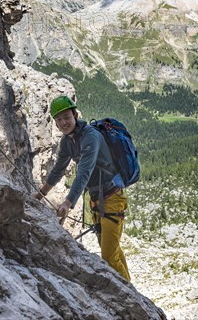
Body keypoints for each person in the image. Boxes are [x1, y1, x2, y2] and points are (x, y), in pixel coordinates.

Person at [35, 95, 130, 282]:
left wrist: (68, 203)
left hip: (112, 198)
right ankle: (129, 286)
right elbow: (58, 170)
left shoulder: (91, 137)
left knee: (109, 256)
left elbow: (84, 173)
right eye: (59, 119)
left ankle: (133, 299)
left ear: (75, 115)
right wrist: (40, 194)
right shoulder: (67, 142)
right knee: (111, 249)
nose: (63, 122)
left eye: (66, 117)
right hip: (97, 199)